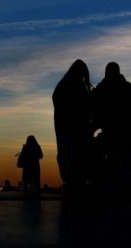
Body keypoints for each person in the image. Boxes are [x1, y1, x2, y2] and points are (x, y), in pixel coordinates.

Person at [52, 60, 94, 189]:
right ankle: (77, 179)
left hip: (64, 129)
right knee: (77, 154)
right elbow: (86, 106)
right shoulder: (77, 86)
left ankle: (71, 179)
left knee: (66, 153)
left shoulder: (62, 86)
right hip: (76, 129)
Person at [92, 62, 131, 187]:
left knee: (119, 157)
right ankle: (122, 184)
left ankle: (120, 184)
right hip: (115, 129)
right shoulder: (125, 86)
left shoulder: (102, 88)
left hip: (117, 129)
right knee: (120, 157)